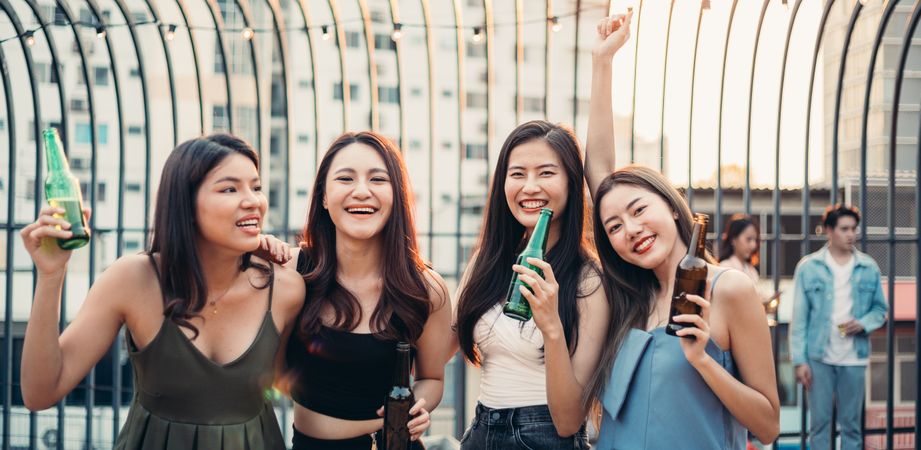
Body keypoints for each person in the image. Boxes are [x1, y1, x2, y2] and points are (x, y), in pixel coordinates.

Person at [20, 134, 305, 449]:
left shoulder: (286, 289)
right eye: (229, 188)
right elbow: (40, 393)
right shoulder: (132, 280)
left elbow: (302, 382)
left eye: (256, 186)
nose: (253, 200)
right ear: (185, 203)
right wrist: (51, 275)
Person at [583, 13, 780, 449]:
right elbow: (598, 171)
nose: (630, 229)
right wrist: (602, 63)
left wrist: (703, 361)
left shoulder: (727, 289)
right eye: (614, 226)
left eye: (639, 210)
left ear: (672, 209)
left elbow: (767, 426)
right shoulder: (630, 296)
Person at [281, 131, 453, 450]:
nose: (362, 192)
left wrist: (420, 406)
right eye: (345, 179)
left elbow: (433, 378)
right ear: (322, 196)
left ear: (396, 195)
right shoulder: (290, 272)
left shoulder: (427, 289)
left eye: (378, 180)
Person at [452, 119, 608, 449]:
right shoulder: (487, 261)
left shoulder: (589, 279)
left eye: (546, 173)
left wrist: (551, 326)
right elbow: (436, 349)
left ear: (571, 183)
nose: (530, 186)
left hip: (544, 438)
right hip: (480, 432)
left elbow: (569, 421)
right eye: (518, 173)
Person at [790, 204, 887, 450]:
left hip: (854, 357)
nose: (851, 234)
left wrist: (862, 324)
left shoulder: (868, 267)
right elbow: (799, 318)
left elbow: (880, 310)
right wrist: (799, 361)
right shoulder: (809, 267)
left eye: (853, 229)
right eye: (844, 229)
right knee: (820, 425)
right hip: (819, 358)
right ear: (829, 231)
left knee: (852, 426)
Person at [718, 214, 780, 325]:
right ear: (733, 239)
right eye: (748, 239)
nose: (753, 245)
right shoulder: (725, 267)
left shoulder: (751, 270)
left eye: (755, 240)